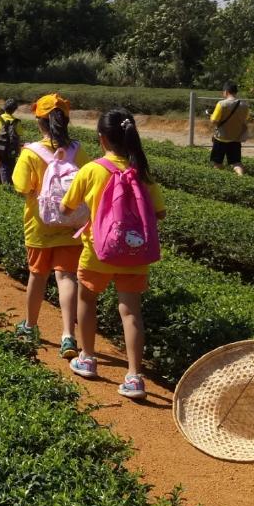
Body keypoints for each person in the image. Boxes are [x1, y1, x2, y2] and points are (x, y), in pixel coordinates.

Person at [62, 109, 166, 401]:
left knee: (87, 300)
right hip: (135, 254)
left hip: (99, 251)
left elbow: (65, 209)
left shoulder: (93, 169)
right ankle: (134, 377)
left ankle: (88, 358)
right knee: (131, 311)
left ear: (102, 139)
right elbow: (161, 213)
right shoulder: (142, 171)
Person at [11, 94, 83, 356]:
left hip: (39, 226)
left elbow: (21, 187)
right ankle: (68, 336)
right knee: (66, 278)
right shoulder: (77, 150)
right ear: (66, 120)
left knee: (37, 276)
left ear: (39, 121)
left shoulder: (31, 153)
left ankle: (30, 326)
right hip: (71, 225)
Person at [209, 81, 251, 175]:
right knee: (236, 163)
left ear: (226, 92)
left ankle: (220, 179)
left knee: (217, 163)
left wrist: (211, 116)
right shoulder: (244, 105)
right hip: (236, 138)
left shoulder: (221, 104)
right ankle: (241, 178)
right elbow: (245, 119)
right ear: (235, 92)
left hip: (221, 138)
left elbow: (214, 120)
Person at [0, 98, 24, 187]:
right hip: (12, 148)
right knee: (12, 166)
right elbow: (19, 137)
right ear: (14, 110)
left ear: (4, 107)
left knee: (3, 167)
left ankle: (6, 187)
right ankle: (12, 185)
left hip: (0, 148)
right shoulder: (17, 122)